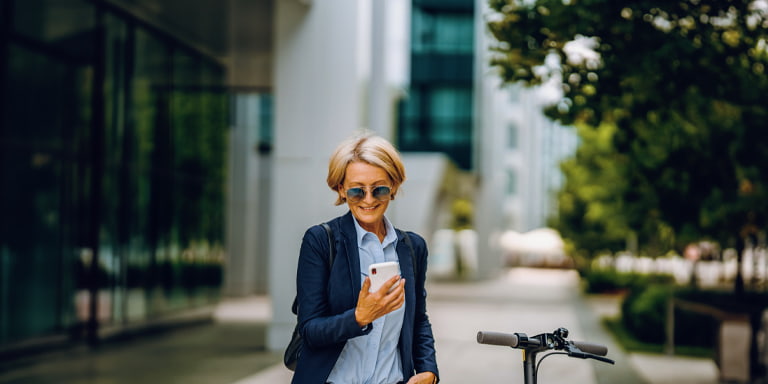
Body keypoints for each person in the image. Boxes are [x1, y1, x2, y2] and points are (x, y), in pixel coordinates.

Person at [292, 132, 439, 384]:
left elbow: (417, 320)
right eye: (357, 191)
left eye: (379, 189)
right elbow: (310, 331)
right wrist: (360, 316)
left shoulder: (413, 247)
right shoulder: (320, 241)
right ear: (341, 189)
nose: (369, 200)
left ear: (393, 185)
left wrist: (429, 370)